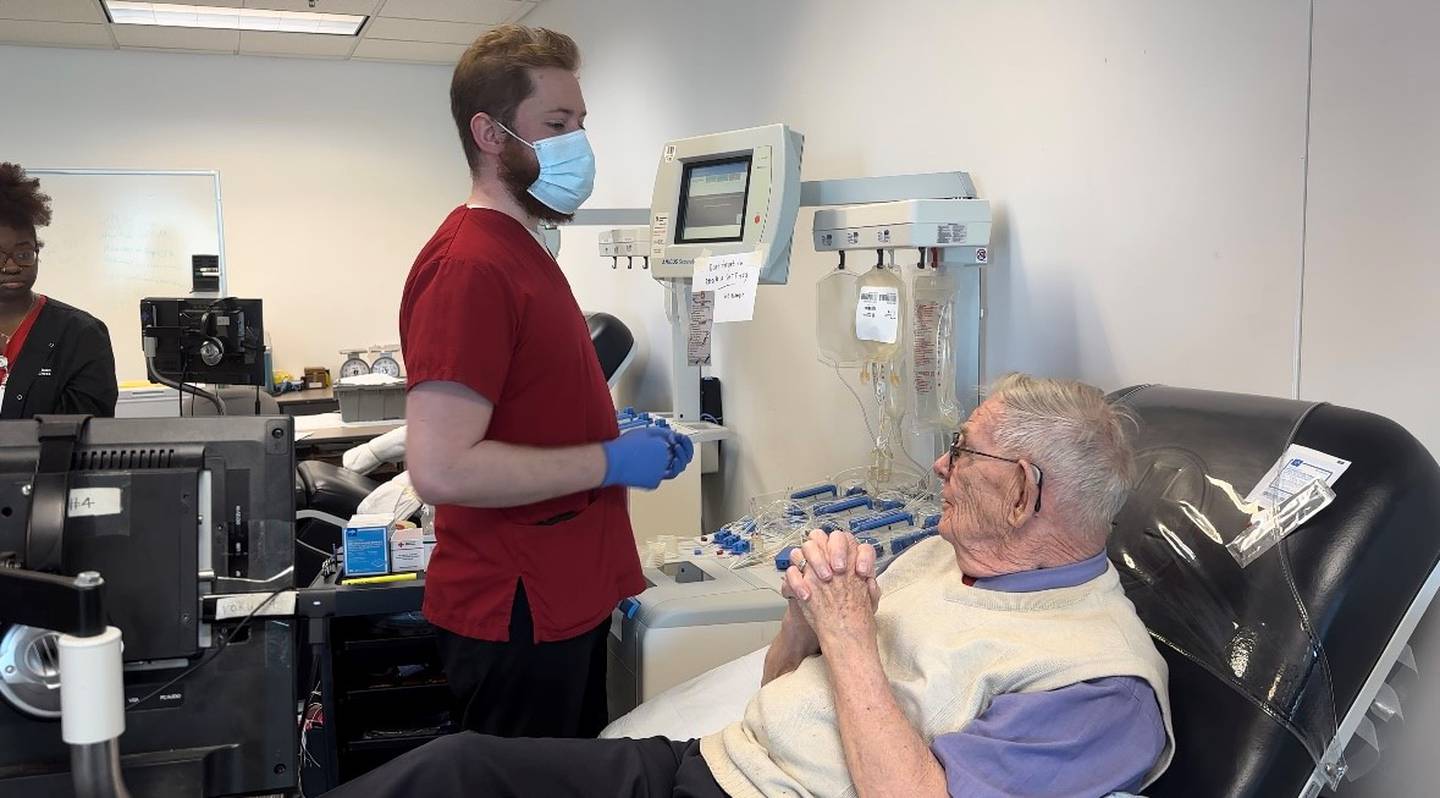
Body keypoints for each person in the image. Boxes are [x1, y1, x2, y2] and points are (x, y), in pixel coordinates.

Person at [324, 374, 1175, 798]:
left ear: (1023, 489)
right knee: (456, 770)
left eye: (966, 452)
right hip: (717, 767)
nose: (943, 466)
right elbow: (783, 696)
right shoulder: (939, 558)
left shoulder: (1099, 686)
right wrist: (807, 626)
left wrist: (847, 636)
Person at [400, 25, 694, 741]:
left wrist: (607, 432)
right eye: (557, 125)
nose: (579, 144)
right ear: (490, 134)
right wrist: (607, 461)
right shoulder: (471, 266)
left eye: (581, 124)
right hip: (517, 608)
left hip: (561, 592)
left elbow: (520, 414)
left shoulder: (522, 250)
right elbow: (440, 466)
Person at [0, 163, 117, 419]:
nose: (11, 266)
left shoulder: (81, 333)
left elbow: (88, 434)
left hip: (49, 461)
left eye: (23, 253)